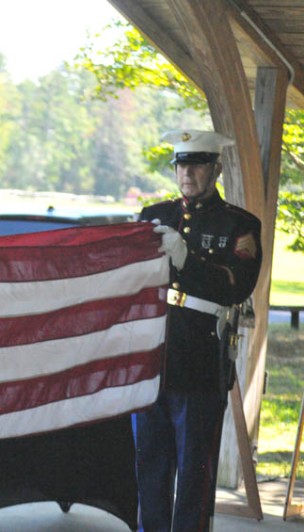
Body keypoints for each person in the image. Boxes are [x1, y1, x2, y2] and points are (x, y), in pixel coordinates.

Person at [132, 129, 262, 531]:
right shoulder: (155, 216)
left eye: (198, 165)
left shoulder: (239, 224)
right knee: (150, 466)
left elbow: (235, 286)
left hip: (199, 360)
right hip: (153, 358)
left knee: (194, 472)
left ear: (216, 170)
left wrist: (186, 259)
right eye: (181, 165)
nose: (187, 173)